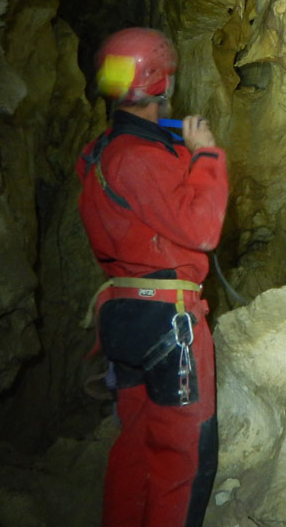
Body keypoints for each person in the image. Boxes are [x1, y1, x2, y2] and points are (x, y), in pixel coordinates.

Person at [76, 27, 228, 527]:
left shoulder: (101, 154)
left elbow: (144, 206)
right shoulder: (138, 160)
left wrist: (176, 149)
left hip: (123, 316)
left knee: (136, 445)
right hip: (169, 322)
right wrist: (205, 156)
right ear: (161, 82)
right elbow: (201, 231)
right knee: (180, 455)